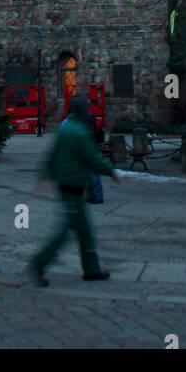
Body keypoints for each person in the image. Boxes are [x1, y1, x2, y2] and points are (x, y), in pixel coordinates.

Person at [27, 95, 122, 286]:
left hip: (69, 185)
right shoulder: (79, 132)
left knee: (84, 231)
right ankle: (38, 264)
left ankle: (92, 269)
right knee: (65, 232)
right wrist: (111, 172)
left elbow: (52, 154)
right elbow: (93, 158)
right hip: (73, 186)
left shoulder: (65, 128)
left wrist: (44, 176)